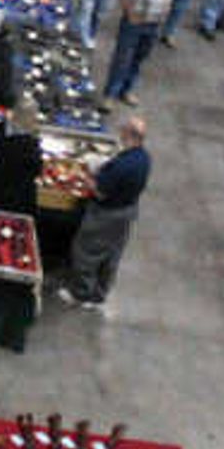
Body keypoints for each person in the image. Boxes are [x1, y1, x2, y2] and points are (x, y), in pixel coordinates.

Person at [62, 116, 151, 309]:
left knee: (87, 251)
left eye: (123, 130)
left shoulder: (122, 166)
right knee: (111, 254)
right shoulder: (143, 158)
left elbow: (100, 192)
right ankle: (100, 293)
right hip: (126, 211)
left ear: (129, 134)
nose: (120, 133)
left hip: (106, 215)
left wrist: (87, 178)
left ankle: (82, 294)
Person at [107, 0, 178, 100]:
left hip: (154, 23)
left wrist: (164, 16)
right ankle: (110, 95)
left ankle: (126, 91)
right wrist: (130, 14)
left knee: (139, 58)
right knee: (122, 58)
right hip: (135, 22)